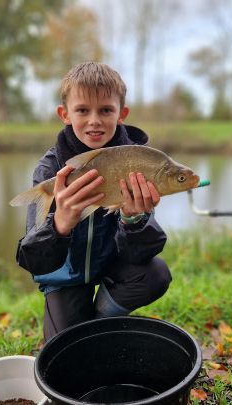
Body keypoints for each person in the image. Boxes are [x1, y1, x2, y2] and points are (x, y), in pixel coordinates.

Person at [16, 62, 172, 341]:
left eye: (106, 110)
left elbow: (142, 253)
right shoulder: (50, 170)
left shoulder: (140, 162)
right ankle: (83, 326)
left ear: (121, 114)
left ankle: (100, 319)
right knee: (65, 349)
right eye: (83, 110)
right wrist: (60, 225)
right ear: (65, 114)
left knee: (156, 273)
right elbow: (33, 261)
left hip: (113, 266)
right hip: (66, 276)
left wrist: (133, 219)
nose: (94, 120)